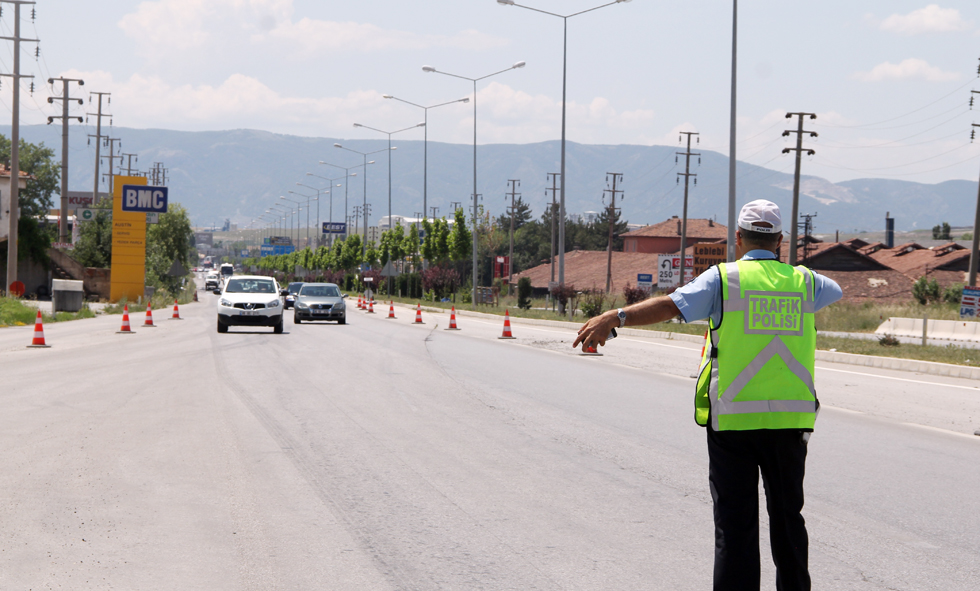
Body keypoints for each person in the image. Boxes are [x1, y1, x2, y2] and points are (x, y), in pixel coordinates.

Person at [574, 199, 842, 590]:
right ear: (780, 241)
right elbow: (834, 289)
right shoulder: (805, 283)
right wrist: (792, 272)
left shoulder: (724, 280)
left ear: (738, 238)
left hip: (733, 423)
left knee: (735, 529)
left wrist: (616, 317)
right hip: (789, 423)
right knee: (788, 523)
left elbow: (671, 305)